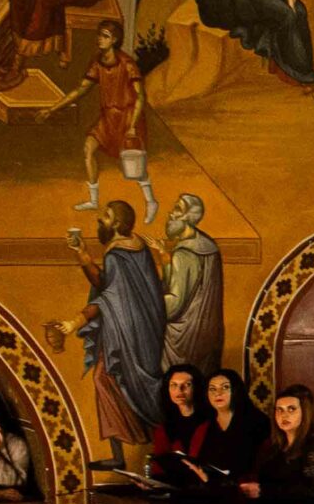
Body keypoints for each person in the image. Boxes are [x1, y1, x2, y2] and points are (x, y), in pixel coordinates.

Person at [59, 200, 166, 468]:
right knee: (129, 383)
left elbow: (109, 294)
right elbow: (112, 286)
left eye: (105, 216)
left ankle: (132, 454)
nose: (100, 220)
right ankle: (131, 452)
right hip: (145, 327)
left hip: (126, 330)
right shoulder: (137, 246)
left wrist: (76, 322)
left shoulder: (116, 255)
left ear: (117, 223)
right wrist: (82, 253)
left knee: (113, 380)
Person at [53, 19, 156, 221]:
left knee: (135, 169)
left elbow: (140, 97)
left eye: (105, 36)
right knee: (88, 149)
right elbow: (81, 89)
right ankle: (93, 200)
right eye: (99, 35)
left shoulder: (127, 64)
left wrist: (133, 126)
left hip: (128, 118)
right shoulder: (97, 62)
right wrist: (54, 108)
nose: (99, 39)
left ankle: (151, 201)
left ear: (114, 40)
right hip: (108, 117)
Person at [159, 194, 223, 375]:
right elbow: (195, 289)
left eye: (177, 209)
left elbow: (174, 306)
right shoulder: (209, 246)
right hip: (206, 335)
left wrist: (147, 300)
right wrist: (166, 263)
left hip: (183, 340)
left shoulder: (184, 254)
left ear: (188, 218)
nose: (170, 214)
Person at [239, 386, 314, 503]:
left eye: (291, 409)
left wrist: (263, 490)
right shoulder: (272, 447)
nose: (284, 415)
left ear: (305, 413)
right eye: (279, 409)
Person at [147, 364, 212, 487]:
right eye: (174, 385)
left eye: (187, 385)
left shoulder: (211, 422)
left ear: (197, 388)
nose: (179, 390)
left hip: (208, 489)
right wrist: (151, 484)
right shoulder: (164, 428)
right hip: (177, 489)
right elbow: (159, 468)